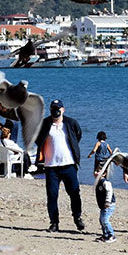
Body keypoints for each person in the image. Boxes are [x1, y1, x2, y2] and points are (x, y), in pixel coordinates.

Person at [34, 99, 84, 233]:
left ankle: (77, 217)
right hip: (51, 166)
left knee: (74, 193)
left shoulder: (71, 123)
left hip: (69, 164)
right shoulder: (45, 124)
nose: (55, 111)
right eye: (53, 109)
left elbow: (78, 135)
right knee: (52, 195)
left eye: (58, 108)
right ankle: (54, 223)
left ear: (63, 110)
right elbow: (38, 140)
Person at [95, 159, 117, 243]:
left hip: (109, 204)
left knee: (105, 220)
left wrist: (107, 201)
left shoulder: (105, 182)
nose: (96, 173)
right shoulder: (98, 182)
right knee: (101, 220)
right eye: (96, 171)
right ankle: (105, 235)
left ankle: (111, 235)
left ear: (104, 174)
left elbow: (109, 191)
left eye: (98, 171)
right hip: (103, 205)